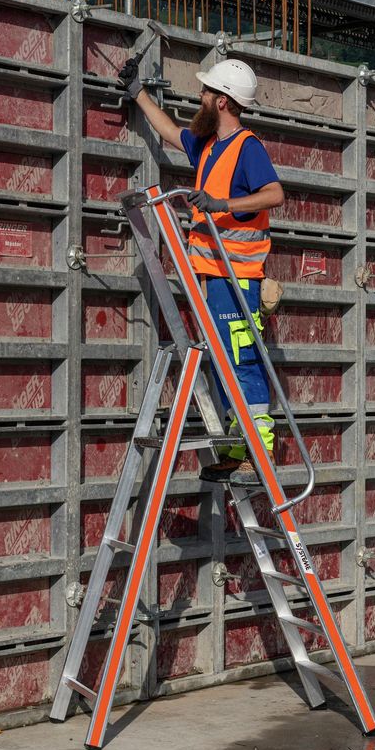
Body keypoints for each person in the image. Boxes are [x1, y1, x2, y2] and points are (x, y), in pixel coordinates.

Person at [119, 55, 284, 484]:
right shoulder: (210, 145)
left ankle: (259, 453)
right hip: (212, 275)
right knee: (223, 363)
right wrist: (137, 93)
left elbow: (273, 194)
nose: (201, 95)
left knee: (242, 360)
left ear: (224, 102)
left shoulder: (248, 147)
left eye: (208, 92)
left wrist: (222, 205)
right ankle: (236, 449)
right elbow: (172, 133)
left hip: (237, 278)